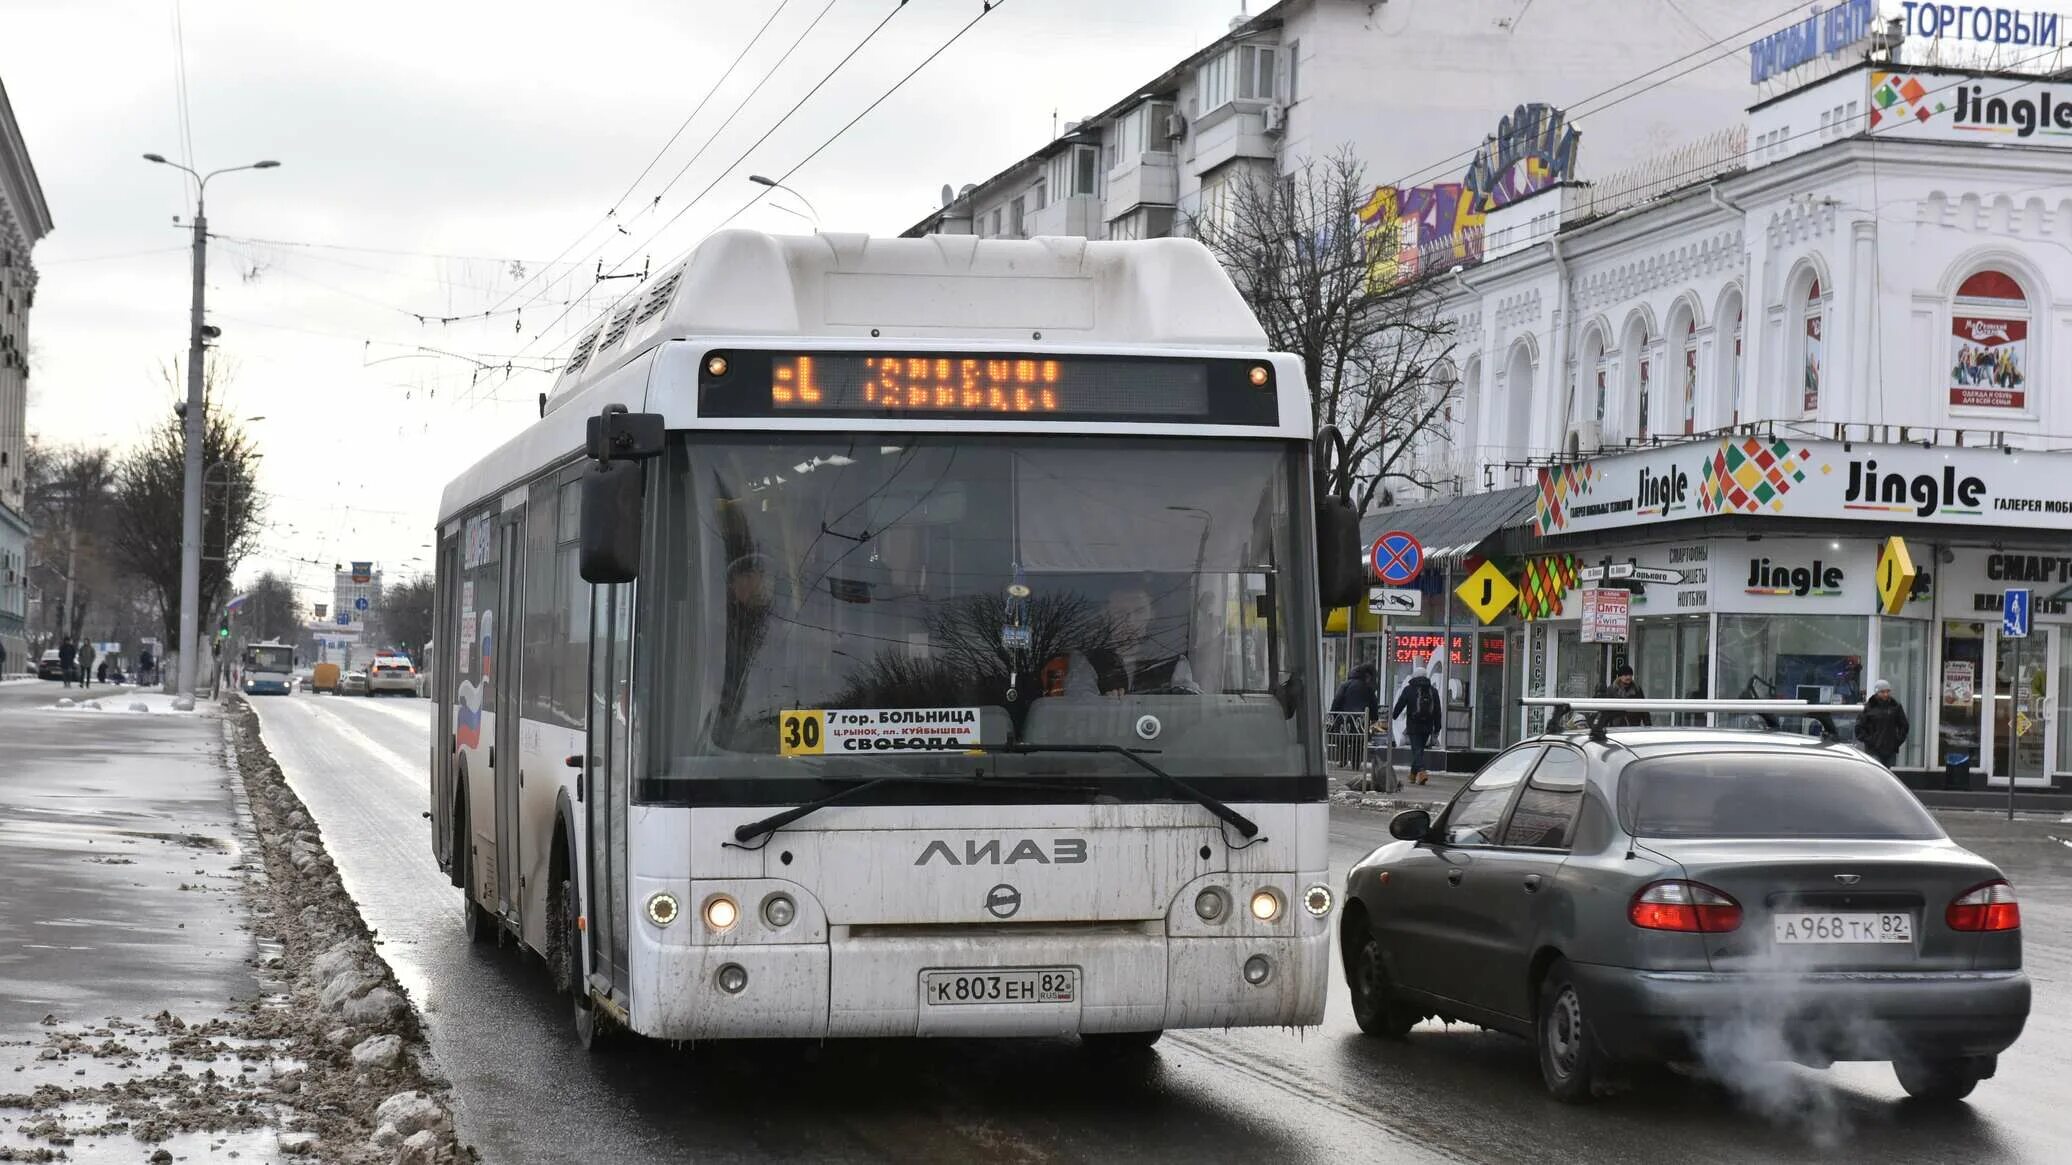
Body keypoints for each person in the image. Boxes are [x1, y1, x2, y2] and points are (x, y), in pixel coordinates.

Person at [1087, 584, 1197, 695]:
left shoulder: (1172, 662)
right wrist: (1103, 705)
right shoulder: (1087, 661)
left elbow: (1190, 703)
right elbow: (1079, 701)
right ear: (1106, 616)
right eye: (1119, 612)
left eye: (1139, 611)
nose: (1129, 621)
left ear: (1152, 615)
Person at [1391, 665, 1442, 785]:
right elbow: (1437, 711)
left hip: (1413, 724)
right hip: (1427, 725)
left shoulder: (1409, 689)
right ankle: (1413, 775)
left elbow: (1401, 703)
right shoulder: (1432, 691)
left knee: (1416, 750)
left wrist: (1393, 715)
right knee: (1419, 750)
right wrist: (1437, 727)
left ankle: (1422, 771)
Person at [1855, 678, 1910, 768]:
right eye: (1882, 692)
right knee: (1877, 771)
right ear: (1877, 692)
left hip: (1890, 750)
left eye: (1888, 691)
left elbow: (1904, 726)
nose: (1886, 694)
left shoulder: (1895, 706)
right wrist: (1871, 741)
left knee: (1889, 774)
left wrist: (1896, 741)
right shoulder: (1869, 707)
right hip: (1874, 750)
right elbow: (1859, 728)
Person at [1595, 662, 1652, 727]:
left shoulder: (1637, 689)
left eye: (1630, 675)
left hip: (1634, 725)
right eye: (1625, 675)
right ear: (1620, 677)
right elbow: (1605, 709)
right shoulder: (1611, 690)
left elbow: (1643, 708)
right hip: (1615, 726)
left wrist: (1648, 724)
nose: (1628, 677)